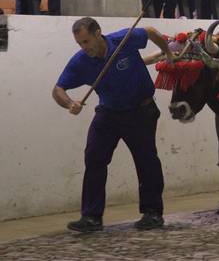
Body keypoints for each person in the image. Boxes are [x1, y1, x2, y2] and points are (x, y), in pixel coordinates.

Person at [52, 17, 173, 232]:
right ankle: (91, 217)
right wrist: (70, 104)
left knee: (146, 161)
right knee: (94, 159)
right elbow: (58, 90)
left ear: (98, 33)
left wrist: (169, 53)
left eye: (86, 41)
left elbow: (151, 31)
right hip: (108, 113)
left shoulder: (124, 39)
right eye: (80, 43)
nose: (84, 47)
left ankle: (153, 213)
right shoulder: (80, 62)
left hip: (140, 111)